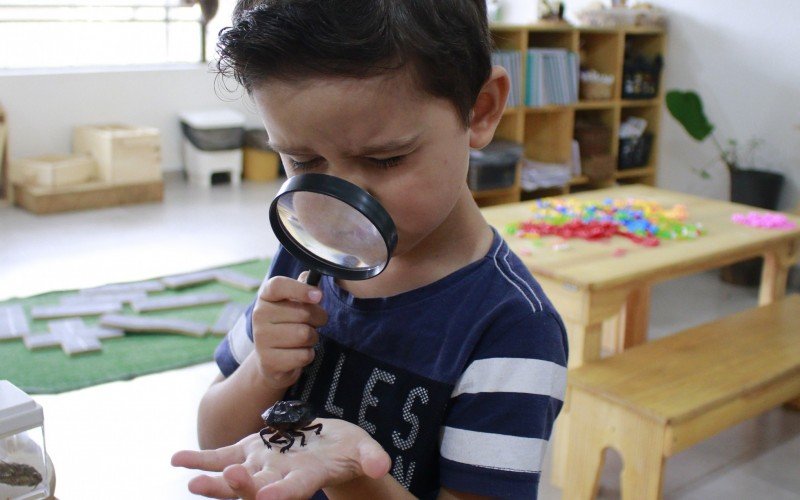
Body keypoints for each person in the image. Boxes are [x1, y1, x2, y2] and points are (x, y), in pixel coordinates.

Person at [171, 1, 568, 498]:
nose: (341, 209)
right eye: (303, 160)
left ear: (480, 109)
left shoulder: (512, 330)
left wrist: (357, 478)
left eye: (385, 159)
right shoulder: (308, 259)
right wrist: (264, 371)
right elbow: (217, 438)